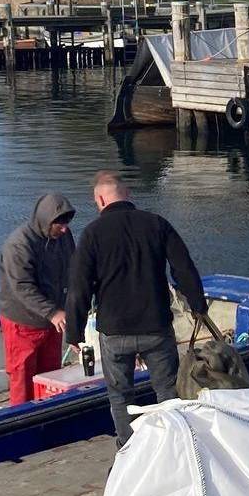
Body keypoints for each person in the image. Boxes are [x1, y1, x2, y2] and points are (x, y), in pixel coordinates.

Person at [64, 171, 208, 445]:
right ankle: (174, 445)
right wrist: (198, 306)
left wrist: (74, 332)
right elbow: (184, 269)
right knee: (167, 392)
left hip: (115, 330)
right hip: (156, 326)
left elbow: (79, 287)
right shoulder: (157, 224)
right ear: (127, 194)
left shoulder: (93, 233)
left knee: (120, 396)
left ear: (100, 200)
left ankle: (128, 450)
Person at [0, 193, 76, 406]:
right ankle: (20, 417)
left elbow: (73, 269)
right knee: (22, 378)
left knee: (51, 377)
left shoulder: (64, 237)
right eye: (59, 223)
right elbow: (22, 287)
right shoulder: (19, 245)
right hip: (23, 323)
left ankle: (50, 415)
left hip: (52, 322)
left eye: (66, 223)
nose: (64, 228)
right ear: (45, 220)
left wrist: (74, 312)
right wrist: (53, 312)